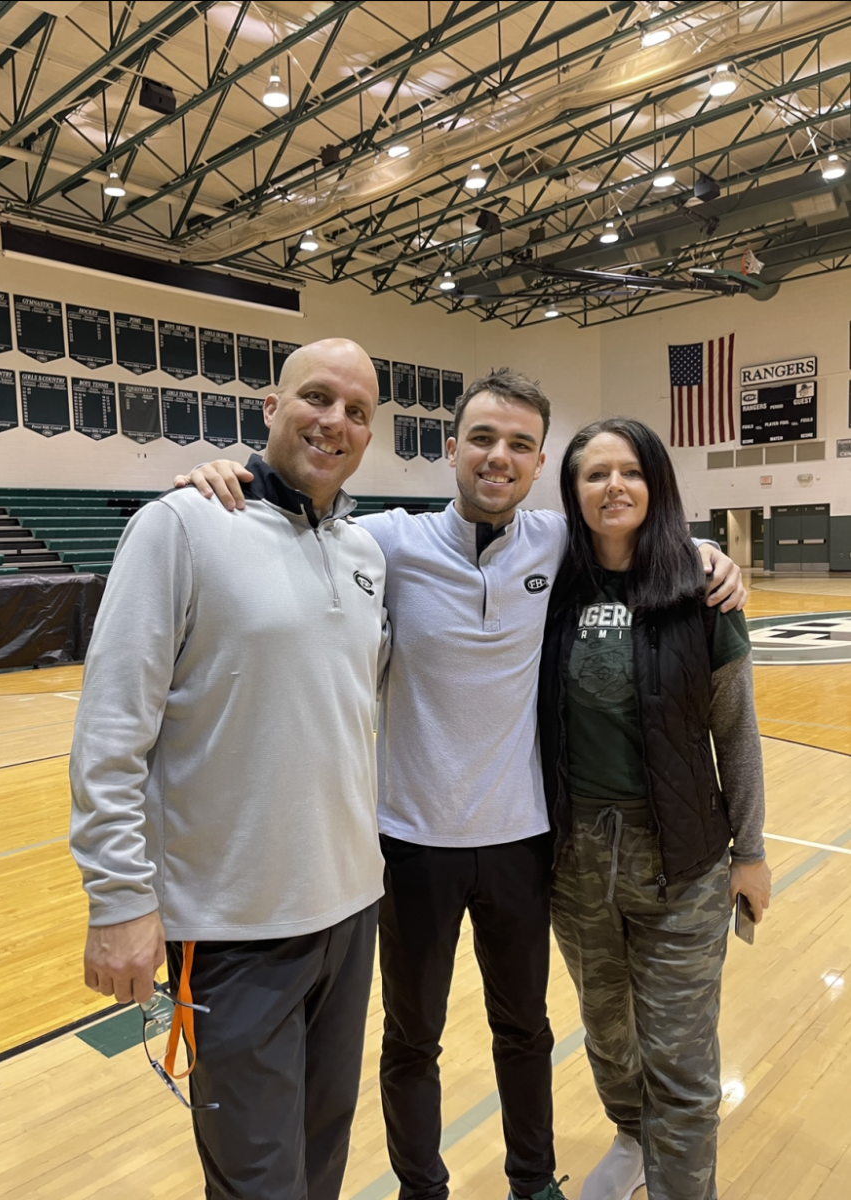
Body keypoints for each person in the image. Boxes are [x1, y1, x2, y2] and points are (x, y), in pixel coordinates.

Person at [177, 372, 745, 1200]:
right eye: (482, 438)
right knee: (412, 1040)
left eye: (519, 445)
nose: (498, 457)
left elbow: (640, 539)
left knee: (525, 1031)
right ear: (449, 448)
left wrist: (707, 553)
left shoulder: (556, 542)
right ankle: (423, 1187)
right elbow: (296, 521)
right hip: (408, 843)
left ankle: (532, 1181)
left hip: (522, 841)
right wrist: (222, 475)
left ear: (540, 459)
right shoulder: (388, 544)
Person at [70, 338, 390, 1200]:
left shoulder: (366, 554)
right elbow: (110, 730)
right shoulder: (179, 525)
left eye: (357, 412)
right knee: (258, 1181)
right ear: (269, 411)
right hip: (232, 931)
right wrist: (120, 899)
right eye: (317, 399)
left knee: (323, 1157)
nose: (335, 422)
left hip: (352, 913)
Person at [537, 418, 771, 1200]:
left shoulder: (701, 588)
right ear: (572, 493)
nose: (613, 487)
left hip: (684, 863)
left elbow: (735, 731)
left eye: (628, 471)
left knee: (680, 1057)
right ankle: (632, 1137)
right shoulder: (548, 587)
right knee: (607, 1035)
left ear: (655, 483)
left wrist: (752, 850)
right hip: (574, 867)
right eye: (593, 474)